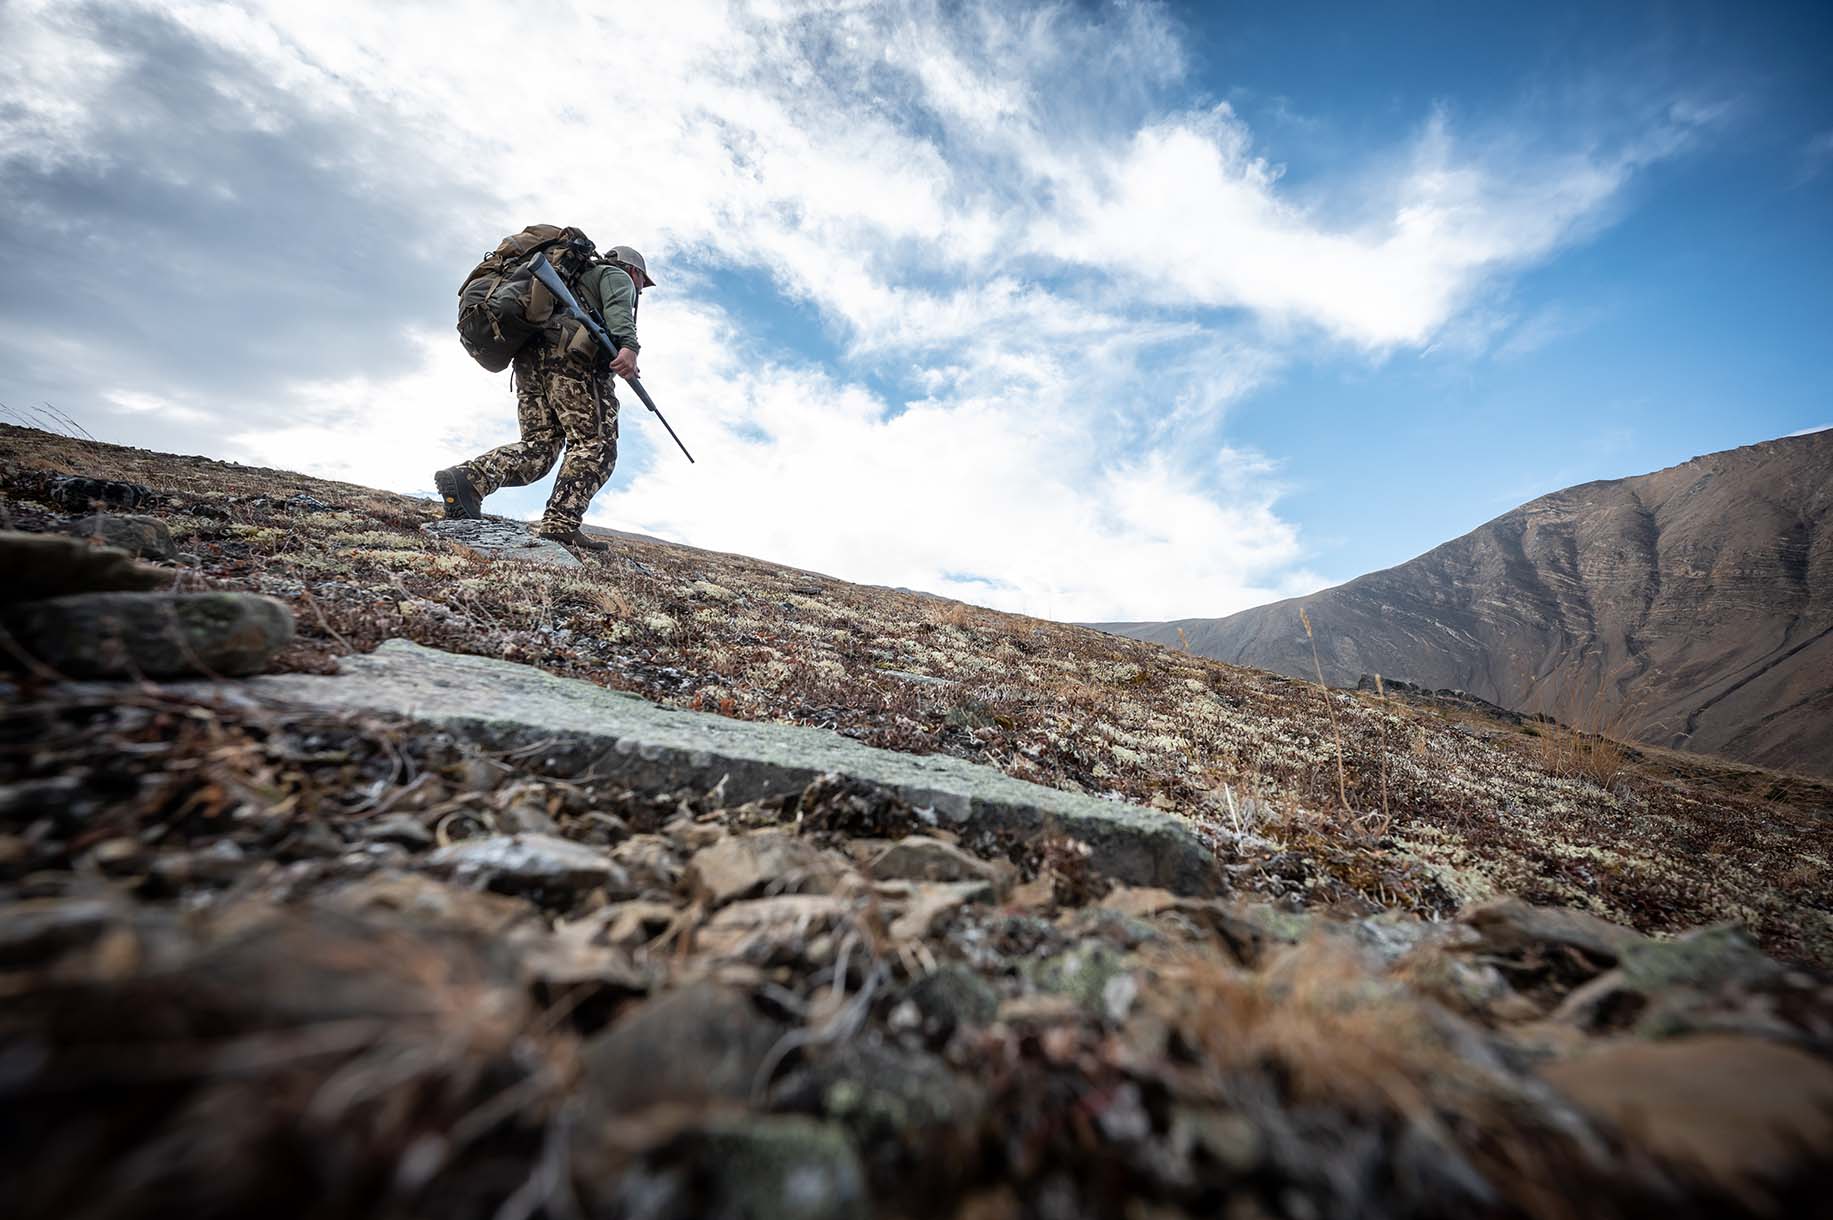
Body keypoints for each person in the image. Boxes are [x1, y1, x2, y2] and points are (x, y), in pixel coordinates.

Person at [434, 243, 655, 552]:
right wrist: (629, 347)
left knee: (540, 448)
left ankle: (468, 480)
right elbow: (619, 311)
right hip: (570, 359)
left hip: (529, 358)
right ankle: (560, 525)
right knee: (596, 444)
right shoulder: (616, 276)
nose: (641, 290)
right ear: (635, 271)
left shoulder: (572, 279)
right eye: (643, 283)